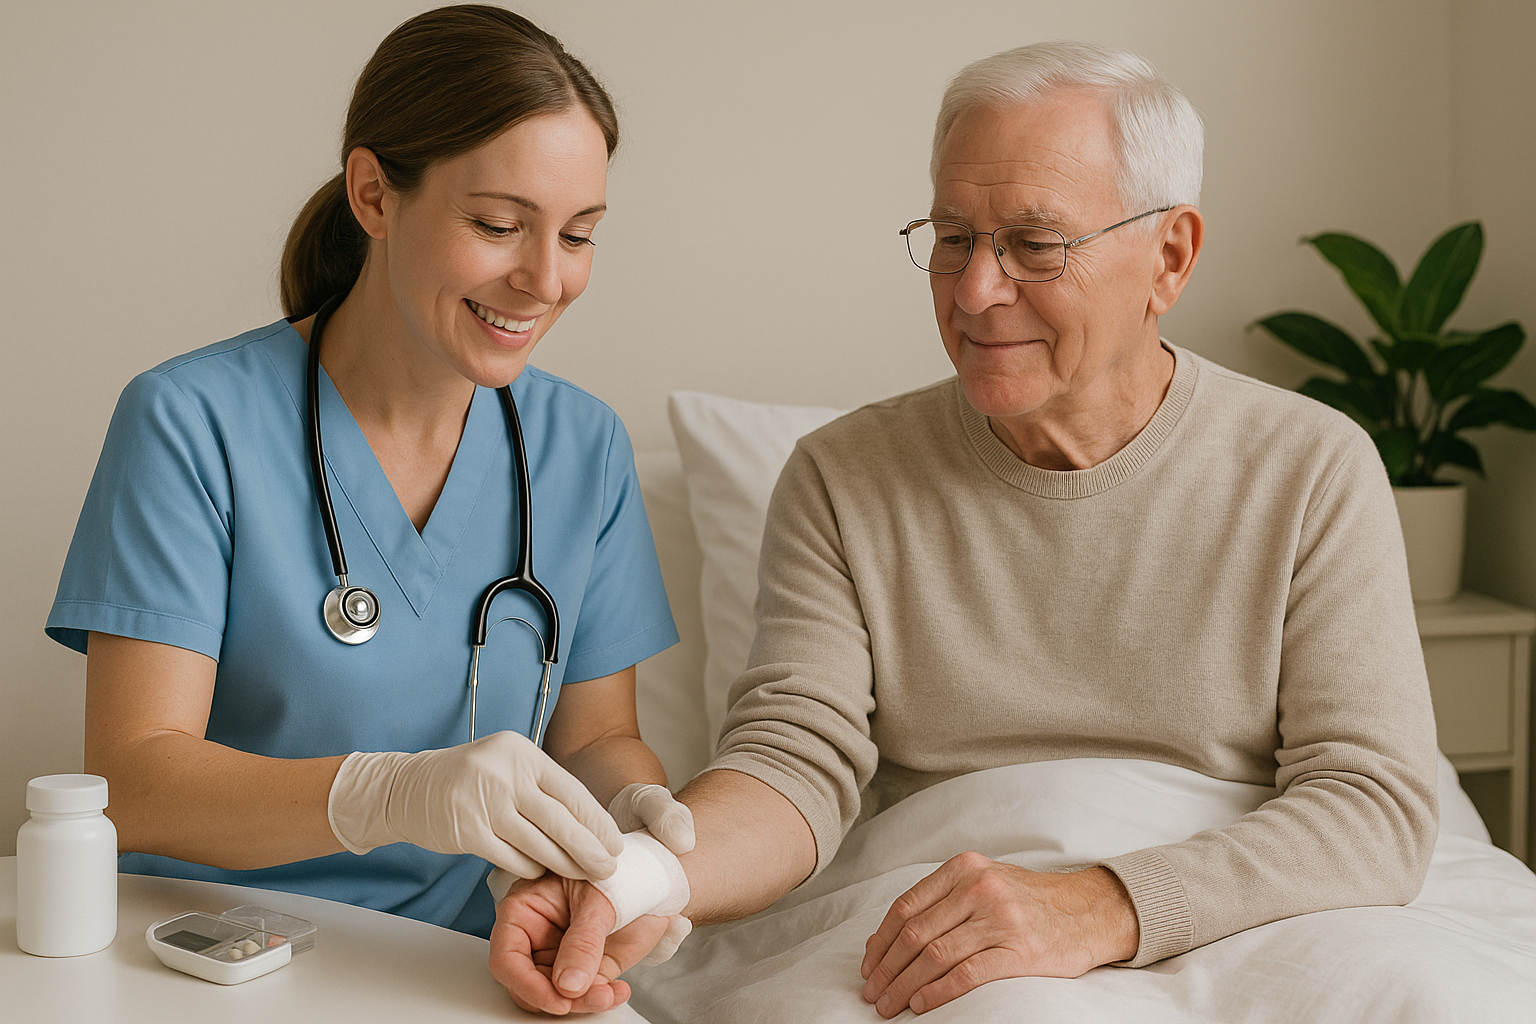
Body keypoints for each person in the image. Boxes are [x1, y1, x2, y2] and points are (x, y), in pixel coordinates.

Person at [488, 40, 1440, 1018]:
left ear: (1170, 256)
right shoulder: (843, 477)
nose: (976, 290)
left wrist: (1103, 905)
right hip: (935, 914)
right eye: (952, 237)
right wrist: (642, 877)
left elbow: (1375, 806)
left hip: (1241, 914)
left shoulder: (1310, 466)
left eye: (1035, 244)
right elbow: (791, 764)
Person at [45, 3, 693, 957]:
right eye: (500, 225)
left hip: (462, 958)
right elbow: (134, 780)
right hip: (206, 955)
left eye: (579, 235)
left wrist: (632, 819)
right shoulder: (191, 422)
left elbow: (594, 742)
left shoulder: (581, 446)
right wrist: (389, 793)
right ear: (375, 196)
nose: (544, 280)